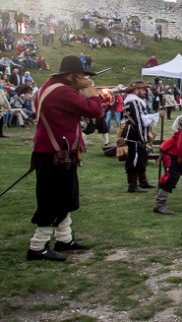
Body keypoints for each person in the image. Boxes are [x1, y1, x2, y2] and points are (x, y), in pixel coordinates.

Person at [26, 55, 103, 261]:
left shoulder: (49, 87)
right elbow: (95, 110)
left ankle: (64, 239)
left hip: (54, 150)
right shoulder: (63, 91)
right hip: (56, 153)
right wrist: (91, 92)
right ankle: (37, 246)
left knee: (65, 196)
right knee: (53, 199)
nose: (84, 78)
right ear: (73, 74)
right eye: (81, 75)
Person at [122, 81, 164, 193]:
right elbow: (139, 120)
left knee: (141, 158)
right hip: (134, 135)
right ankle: (133, 185)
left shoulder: (135, 101)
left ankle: (143, 181)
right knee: (134, 159)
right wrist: (157, 115)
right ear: (136, 90)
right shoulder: (133, 102)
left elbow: (142, 119)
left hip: (136, 134)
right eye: (143, 89)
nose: (145, 92)